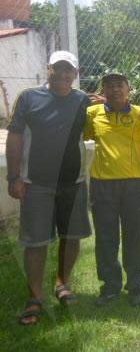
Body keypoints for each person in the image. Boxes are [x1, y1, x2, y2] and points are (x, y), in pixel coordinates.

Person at [6, 50, 91, 325]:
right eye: (59, 69)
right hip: (36, 183)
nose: (64, 75)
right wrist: (14, 177)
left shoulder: (82, 101)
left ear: (76, 75)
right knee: (36, 242)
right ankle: (35, 297)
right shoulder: (29, 97)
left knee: (72, 236)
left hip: (73, 182)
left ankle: (62, 283)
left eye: (70, 70)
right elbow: (15, 136)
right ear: (49, 69)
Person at [84, 72, 140, 307]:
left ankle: (136, 285)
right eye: (109, 86)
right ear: (103, 91)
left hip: (133, 185)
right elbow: (85, 135)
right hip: (102, 184)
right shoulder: (92, 114)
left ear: (128, 90)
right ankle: (110, 287)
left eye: (119, 85)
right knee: (106, 238)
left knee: (134, 236)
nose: (115, 90)